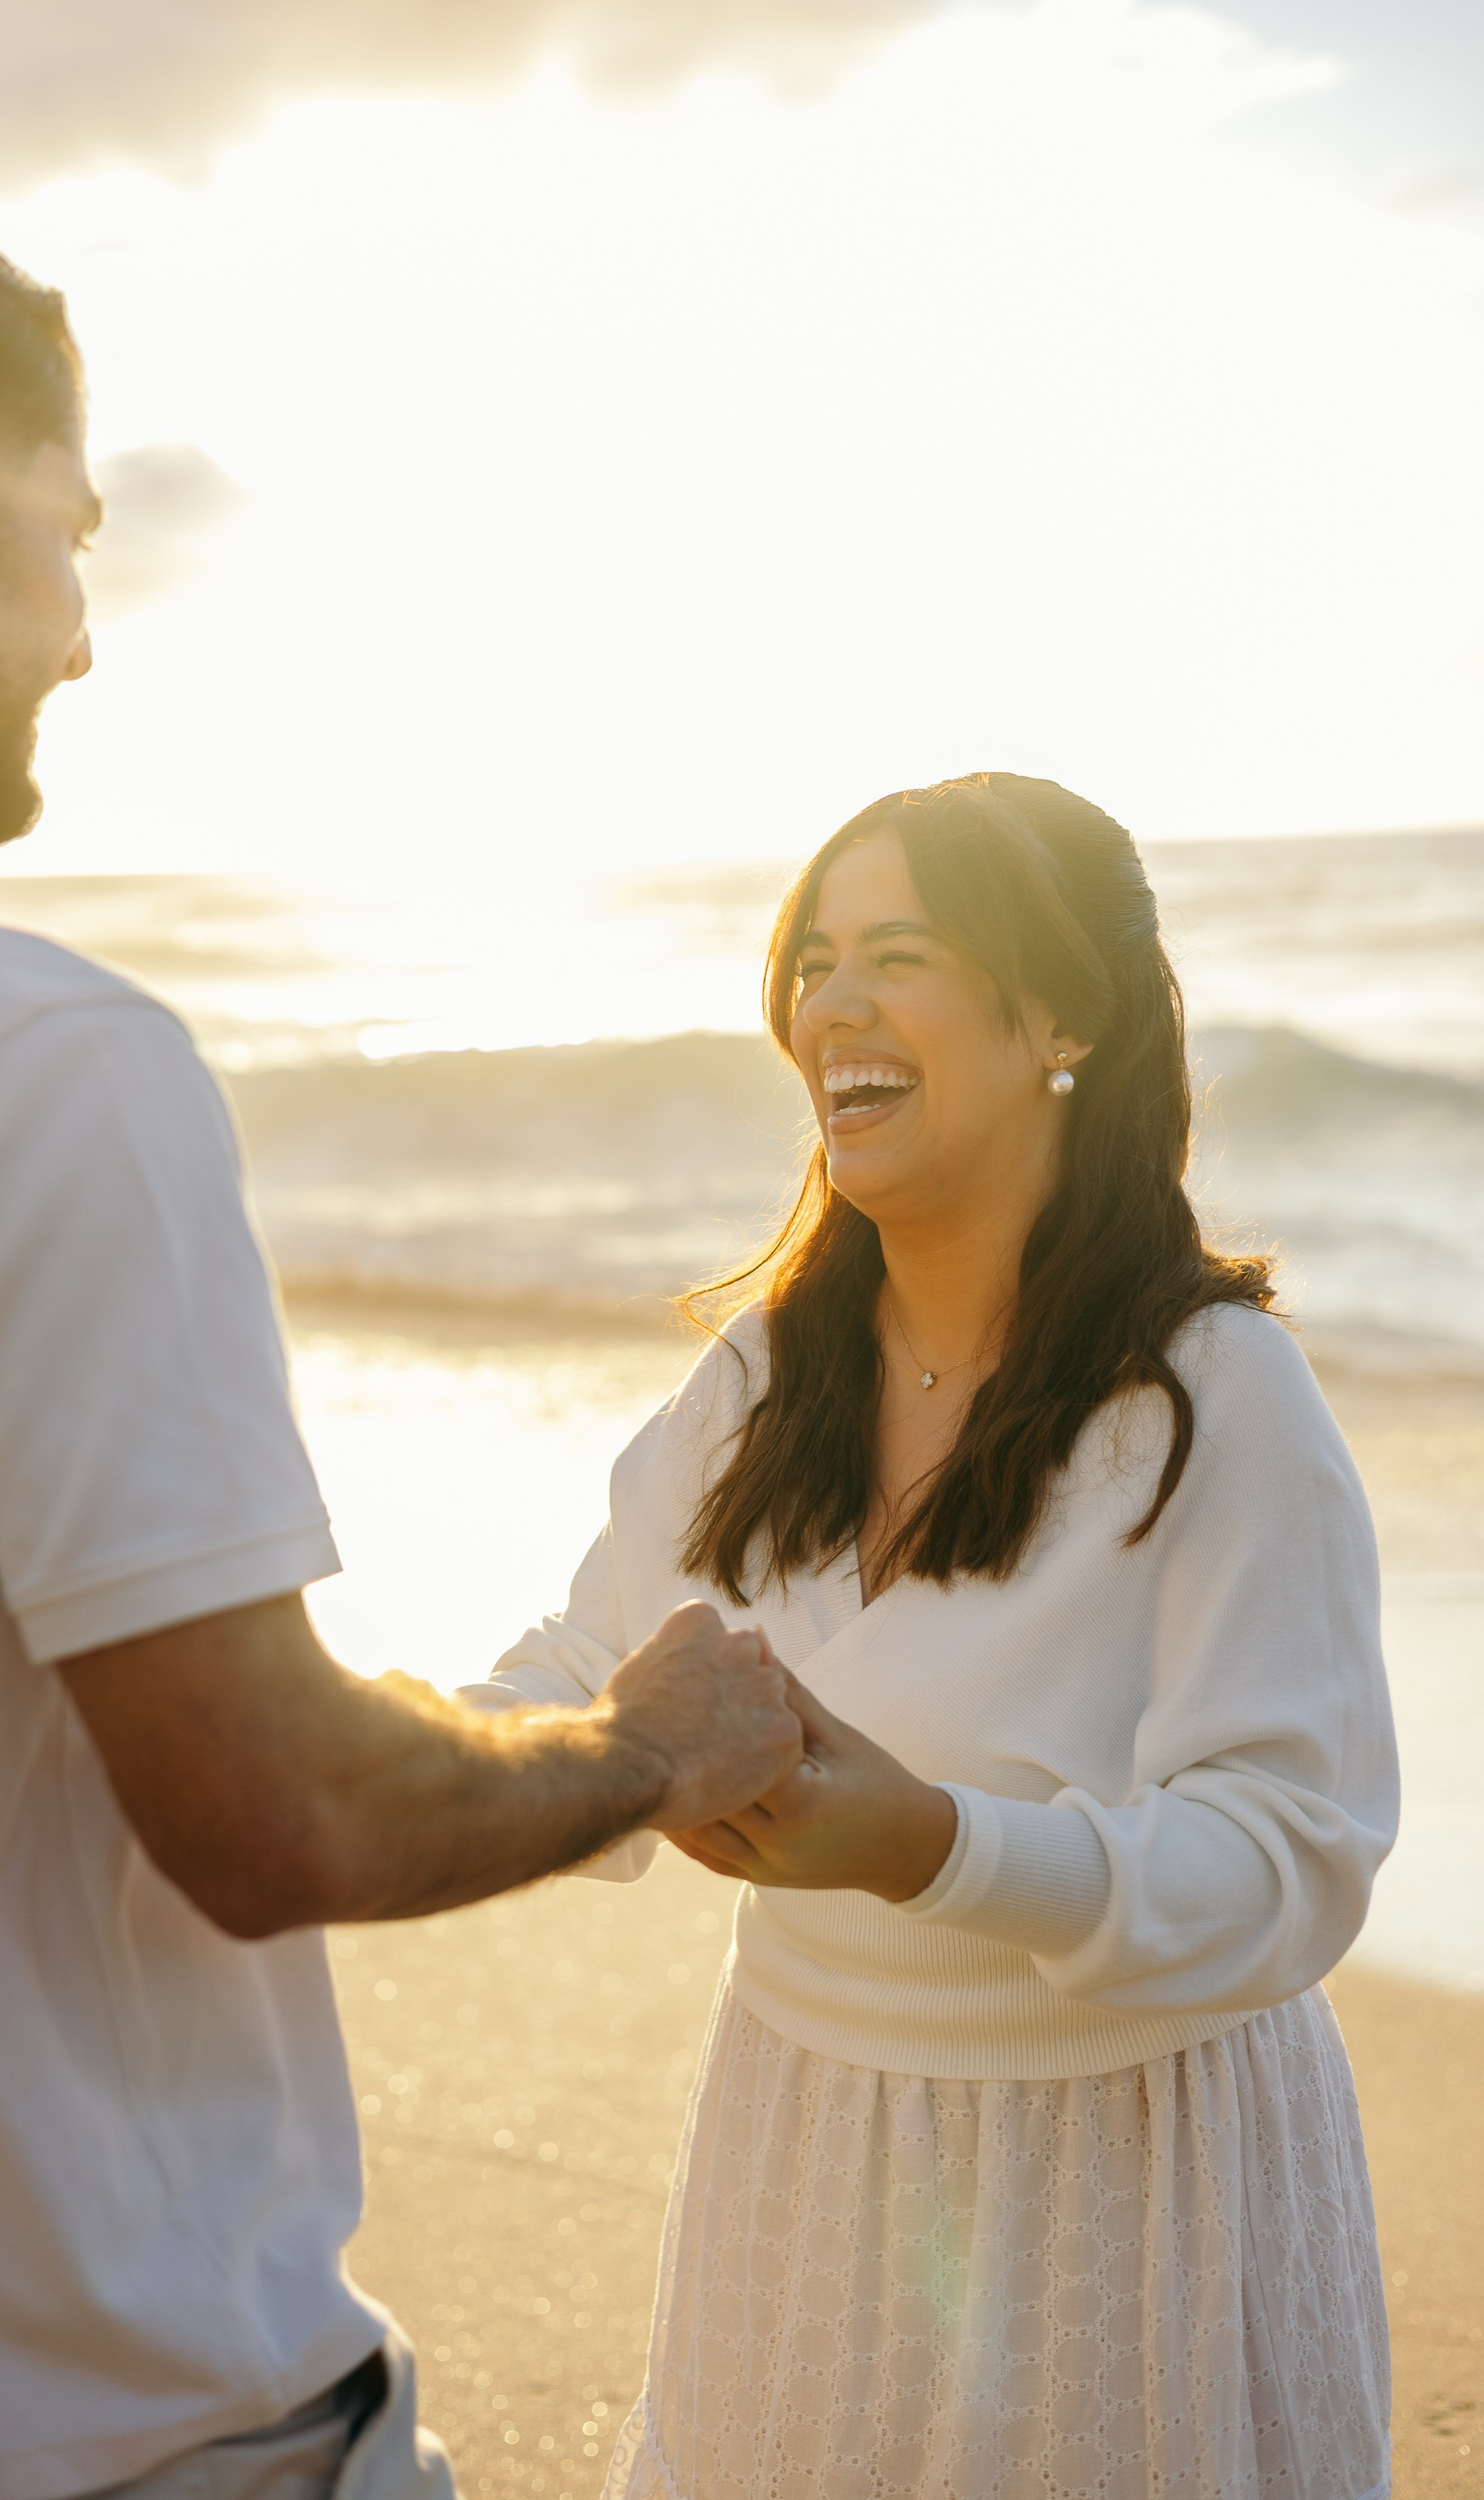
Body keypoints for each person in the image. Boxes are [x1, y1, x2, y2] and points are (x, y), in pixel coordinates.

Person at [0, 175, 805, 2500]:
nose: (83, 637)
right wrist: (637, 1747)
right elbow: (274, 1805)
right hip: (119, 2446)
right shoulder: (24, 1064)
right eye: (73, 537)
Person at [466, 774, 1399, 2500]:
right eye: (813, 958)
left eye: (898, 952)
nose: (831, 1003)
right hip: (805, 2155)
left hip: (1123, 2189)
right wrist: (314, 1750)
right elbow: (579, 1676)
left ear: (1064, 1016)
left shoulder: (1215, 1399)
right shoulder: (760, 1378)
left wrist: (932, 1848)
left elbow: (1291, 1863)